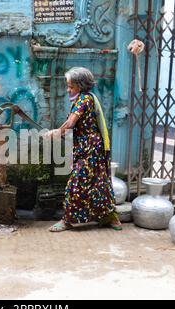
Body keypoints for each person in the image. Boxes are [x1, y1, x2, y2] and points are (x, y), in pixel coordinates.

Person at [46, 67, 122, 232]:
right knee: (99, 183)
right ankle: (111, 218)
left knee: (75, 184)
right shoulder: (87, 98)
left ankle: (68, 220)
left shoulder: (82, 100)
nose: (68, 90)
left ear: (80, 85)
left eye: (70, 86)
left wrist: (56, 133)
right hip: (92, 147)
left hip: (89, 149)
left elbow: (71, 123)